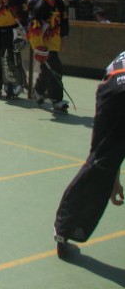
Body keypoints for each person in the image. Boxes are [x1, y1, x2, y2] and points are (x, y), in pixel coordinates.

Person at [54, 51, 125, 259]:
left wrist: (111, 173)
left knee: (99, 160)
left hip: (112, 88)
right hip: (116, 88)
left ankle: (63, 231)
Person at [27, 0, 70, 112]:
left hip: (55, 42)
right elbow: (34, 28)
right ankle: (57, 100)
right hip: (44, 45)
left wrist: (63, 38)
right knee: (56, 69)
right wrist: (38, 48)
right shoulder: (40, 6)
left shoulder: (60, 3)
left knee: (47, 71)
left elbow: (64, 22)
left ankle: (38, 91)